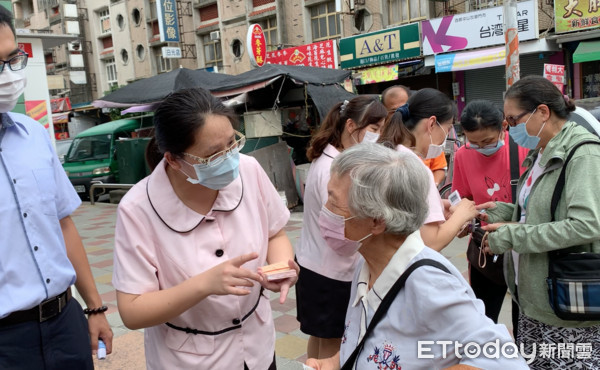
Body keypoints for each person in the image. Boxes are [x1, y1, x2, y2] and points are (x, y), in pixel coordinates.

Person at [112, 87, 297, 369]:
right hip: (189, 360)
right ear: (173, 159)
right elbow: (133, 311)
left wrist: (282, 267)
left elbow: (275, 232)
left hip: (257, 348)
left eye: (232, 144)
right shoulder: (137, 209)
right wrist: (204, 285)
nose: (229, 159)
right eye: (212, 155)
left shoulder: (249, 170)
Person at [306, 143, 528, 370]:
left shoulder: (429, 282)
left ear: (376, 221)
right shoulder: (366, 261)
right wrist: (336, 362)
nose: (325, 210)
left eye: (333, 201)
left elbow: (504, 360)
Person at [0, 7, 112, 369]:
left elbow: (62, 226)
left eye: (11, 59)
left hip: (65, 323)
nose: (7, 76)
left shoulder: (32, 134)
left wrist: (94, 307)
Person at [481, 75, 600, 368]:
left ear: (543, 112)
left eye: (513, 119)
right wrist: (501, 213)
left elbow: (586, 224)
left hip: (567, 306)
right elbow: (535, 213)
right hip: (533, 298)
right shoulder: (541, 153)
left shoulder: (583, 153)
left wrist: (512, 237)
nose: (509, 128)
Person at [295, 96, 387, 359]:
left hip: (314, 265)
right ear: (350, 125)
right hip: (331, 273)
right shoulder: (336, 168)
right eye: (374, 128)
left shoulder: (328, 157)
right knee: (332, 346)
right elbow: (342, 230)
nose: (377, 136)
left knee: (319, 338)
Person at [452, 100, 529, 328]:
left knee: (524, 321)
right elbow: (463, 198)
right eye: (472, 142)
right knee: (483, 319)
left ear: (503, 126)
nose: (480, 147)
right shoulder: (463, 155)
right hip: (484, 248)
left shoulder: (523, 148)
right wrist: (460, 221)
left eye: (487, 141)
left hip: (521, 246)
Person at [379, 88, 479, 251]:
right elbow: (432, 242)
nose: (446, 137)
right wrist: (462, 214)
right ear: (432, 123)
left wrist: (437, 204)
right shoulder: (415, 169)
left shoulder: (388, 153)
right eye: (447, 129)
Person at [381, 85, 447, 186]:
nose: (400, 113)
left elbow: (439, 167)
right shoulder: (379, 141)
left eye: (403, 108)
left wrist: (432, 186)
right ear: (384, 112)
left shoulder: (429, 137)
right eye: (394, 111)